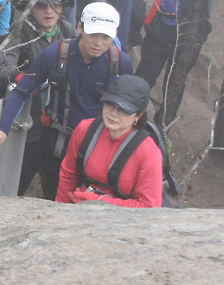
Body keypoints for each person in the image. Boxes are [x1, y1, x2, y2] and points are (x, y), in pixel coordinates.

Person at [0, 1, 134, 199]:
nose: (99, 43)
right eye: (93, 34)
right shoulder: (58, 54)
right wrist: (2, 128)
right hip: (57, 143)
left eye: (105, 37)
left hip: (98, 145)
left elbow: (130, 106)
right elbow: (23, 90)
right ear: (80, 28)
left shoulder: (120, 63)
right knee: (56, 197)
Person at [56, 74, 163, 207]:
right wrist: (61, 210)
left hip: (123, 222)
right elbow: (68, 175)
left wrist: (99, 202)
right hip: (79, 208)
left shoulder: (148, 152)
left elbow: (149, 206)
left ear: (139, 115)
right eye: (110, 104)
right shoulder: (85, 130)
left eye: (123, 110)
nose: (113, 113)